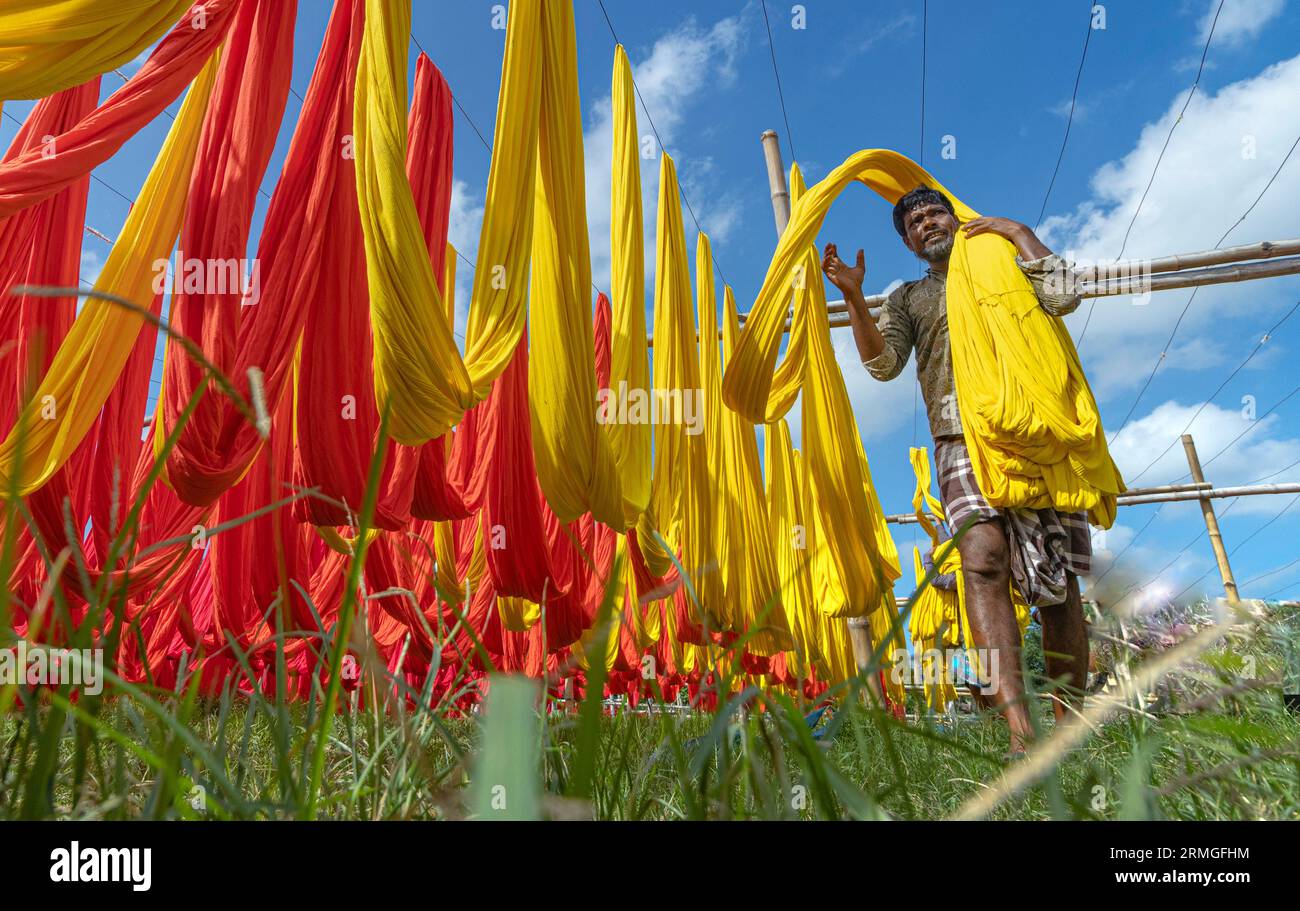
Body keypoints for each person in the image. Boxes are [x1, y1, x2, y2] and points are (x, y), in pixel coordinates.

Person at [822, 186, 1091, 755]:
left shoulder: (1005, 263)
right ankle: (1021, 732)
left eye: (932, 212)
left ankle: (1069, 723)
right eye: (913, 223)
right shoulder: (909, 298)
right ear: (908, 242)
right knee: (982, 561)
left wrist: (1018, 233)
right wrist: (853, 298)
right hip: (960, 438)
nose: (925, 223)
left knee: (1060, 579)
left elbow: (1066, 296)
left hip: (1036, 429)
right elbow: (882, 367)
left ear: (955, 216)